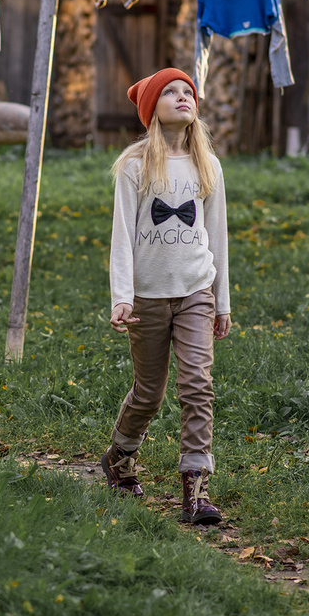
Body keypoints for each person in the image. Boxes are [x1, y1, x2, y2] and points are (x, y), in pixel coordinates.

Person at [103, 67, 231, 525]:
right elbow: (122, 237)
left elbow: (217, 236)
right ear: (151, 108)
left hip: (196, 290)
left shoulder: (207, 165)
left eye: (188, 91)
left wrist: (221, 301)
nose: (183, 97)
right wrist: (122, 296)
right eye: (170, 92)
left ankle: (196, 488)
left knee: (198, 385)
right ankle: (120, 457)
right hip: (148, 298)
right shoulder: (134, 166)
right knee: (149, 393)